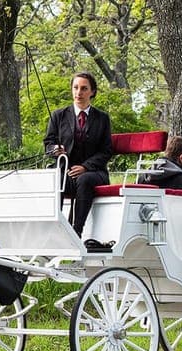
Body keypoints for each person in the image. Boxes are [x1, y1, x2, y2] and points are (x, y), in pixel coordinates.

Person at [44, 71, 113, 237]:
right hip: (65, 171)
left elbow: (106, 151)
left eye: (83, 88)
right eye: (75, 88)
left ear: (92, 92)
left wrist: (85, 167)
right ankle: (55, 230)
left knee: (84, 179)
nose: (78, 93)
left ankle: (77, 231)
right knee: (54, 178)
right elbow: (48, 144)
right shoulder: (58, 116)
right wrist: (55, 150)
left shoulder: (102, 119)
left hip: (93, 173)